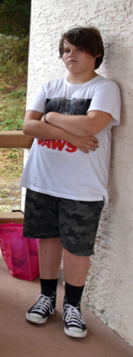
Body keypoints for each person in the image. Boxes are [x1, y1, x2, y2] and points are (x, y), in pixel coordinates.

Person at [20, 27, 120, 339]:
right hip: (43, 179)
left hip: (83, 186)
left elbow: (93, 123)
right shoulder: (50, 85)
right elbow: (28, 126)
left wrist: (49, 118)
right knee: (47, 241)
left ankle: (73, 307)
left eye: (78, 49)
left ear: (96, 54)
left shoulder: (105, 88)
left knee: (78, 248)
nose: (70, 55)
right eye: (65, 50)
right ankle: (47, 298)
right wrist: (65, 132)